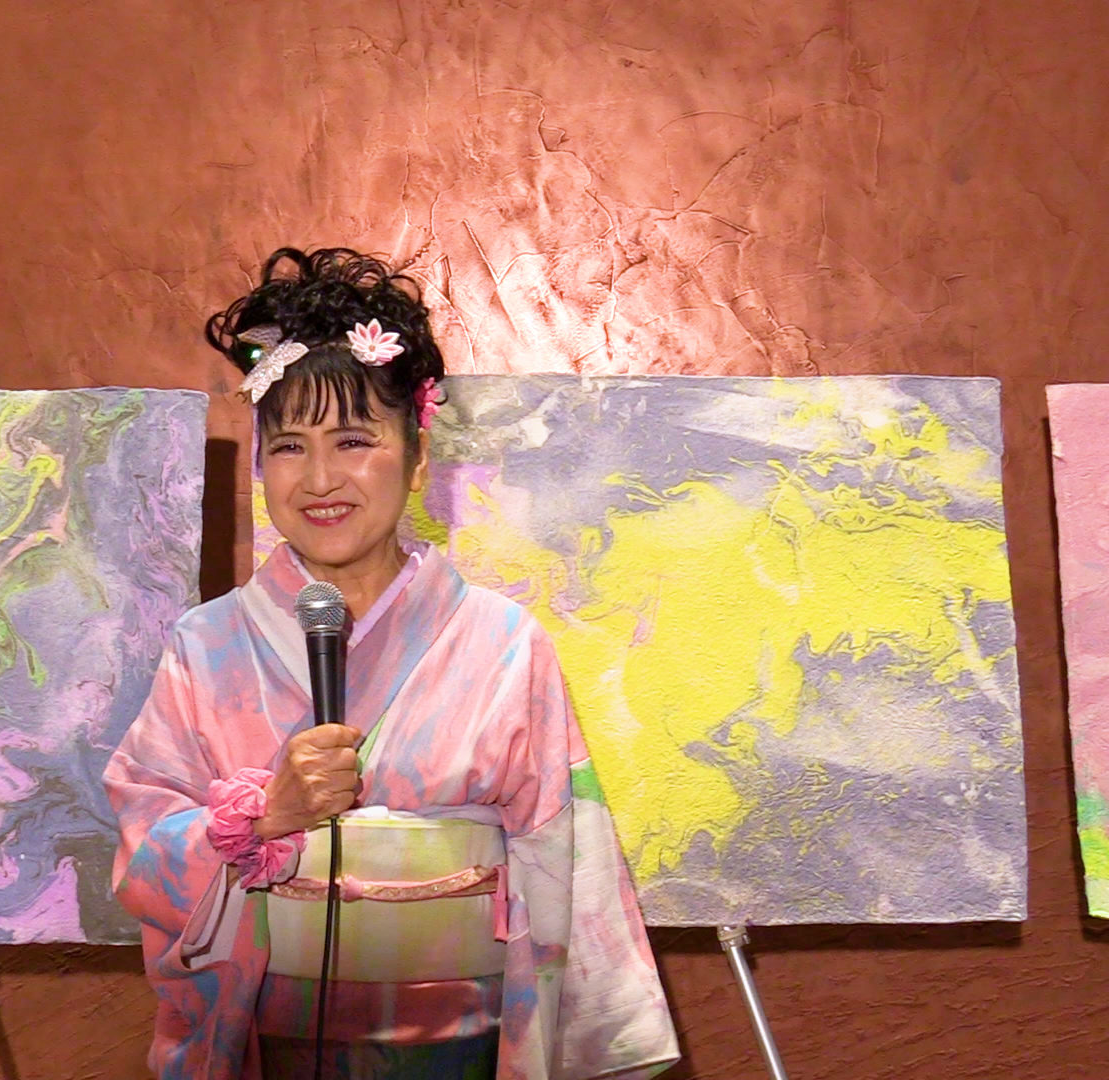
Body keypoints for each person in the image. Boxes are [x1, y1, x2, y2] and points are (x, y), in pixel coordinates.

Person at [104, 248, 679, 1079]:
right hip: (277, 1052)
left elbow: (565, 861)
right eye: (289, 446)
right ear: (262, 467)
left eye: (353, 440)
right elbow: (142, 851)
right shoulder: (207, 645)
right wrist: (263, 816)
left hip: (463, 1054)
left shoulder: (503, 642)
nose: (321, 478)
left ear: (416, 459)